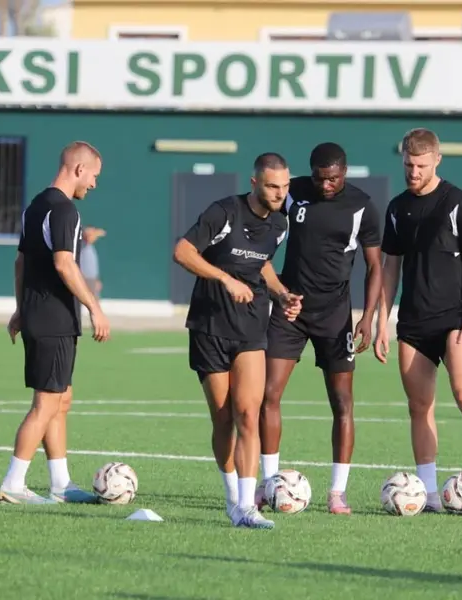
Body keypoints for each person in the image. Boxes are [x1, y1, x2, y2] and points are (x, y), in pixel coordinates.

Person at [374, 127, 462, 513]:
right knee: (419, 407)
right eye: (407, 165)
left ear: (436, 161)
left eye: (419, 165)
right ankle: (428, 494)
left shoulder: (456, 202)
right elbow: (390, 267)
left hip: (454, 321)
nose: (413, 172)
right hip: (413, 325)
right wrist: (383, 321)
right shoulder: (397, 208)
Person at [173, 152, 302, 529]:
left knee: (249, 412)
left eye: (285, 186)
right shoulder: (224, 213)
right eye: (272, 186)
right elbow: (182, 251)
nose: (280, 193)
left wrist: (281, 294)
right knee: (224, 418)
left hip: (250, 328)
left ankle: (248, 506)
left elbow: (261, 263)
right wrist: (225, 279)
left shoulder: (280, 224)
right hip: (209, 326)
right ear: (254, 184)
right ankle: (232, 498)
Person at [259, 142, 383, 515]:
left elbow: (376, 266)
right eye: (319, 178)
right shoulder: (293, 192)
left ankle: (337, 493)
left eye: (333, 179)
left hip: (335, 315)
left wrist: (368, 317)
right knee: (268, 394)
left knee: (342, 402)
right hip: (290, 309)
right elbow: (259, 215)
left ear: (344, 173)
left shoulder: (362, 206)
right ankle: (268, 485)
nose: (326, 185)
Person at [0, 141, 111, 505]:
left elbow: (20, 263)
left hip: (39, 315)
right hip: (53, 319)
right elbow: (65, 264)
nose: (94, 184)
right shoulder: (64, 210)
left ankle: (61, 484)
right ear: (79, 169)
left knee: (61, 399)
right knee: (46, 403)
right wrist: (94, 307)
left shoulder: (35, 207)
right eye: (94, 176)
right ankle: (13, 483)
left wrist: (20, 308)